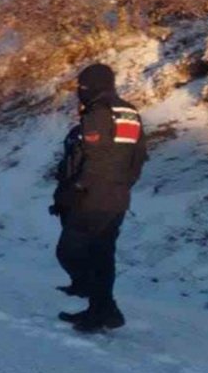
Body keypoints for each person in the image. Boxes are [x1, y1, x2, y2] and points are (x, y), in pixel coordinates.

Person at [51, 63, 147, 333]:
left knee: (70, 252)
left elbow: (94, 160)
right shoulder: (129, 113)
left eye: (81, 87)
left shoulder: (98, 113)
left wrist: (77, 188)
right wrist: (123, 185)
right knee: (102, 255)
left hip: (92, 199)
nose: (79, 92)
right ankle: (102, 311)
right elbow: (138, 156)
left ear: (91, 87)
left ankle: (102, 306)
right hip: (117, 198)